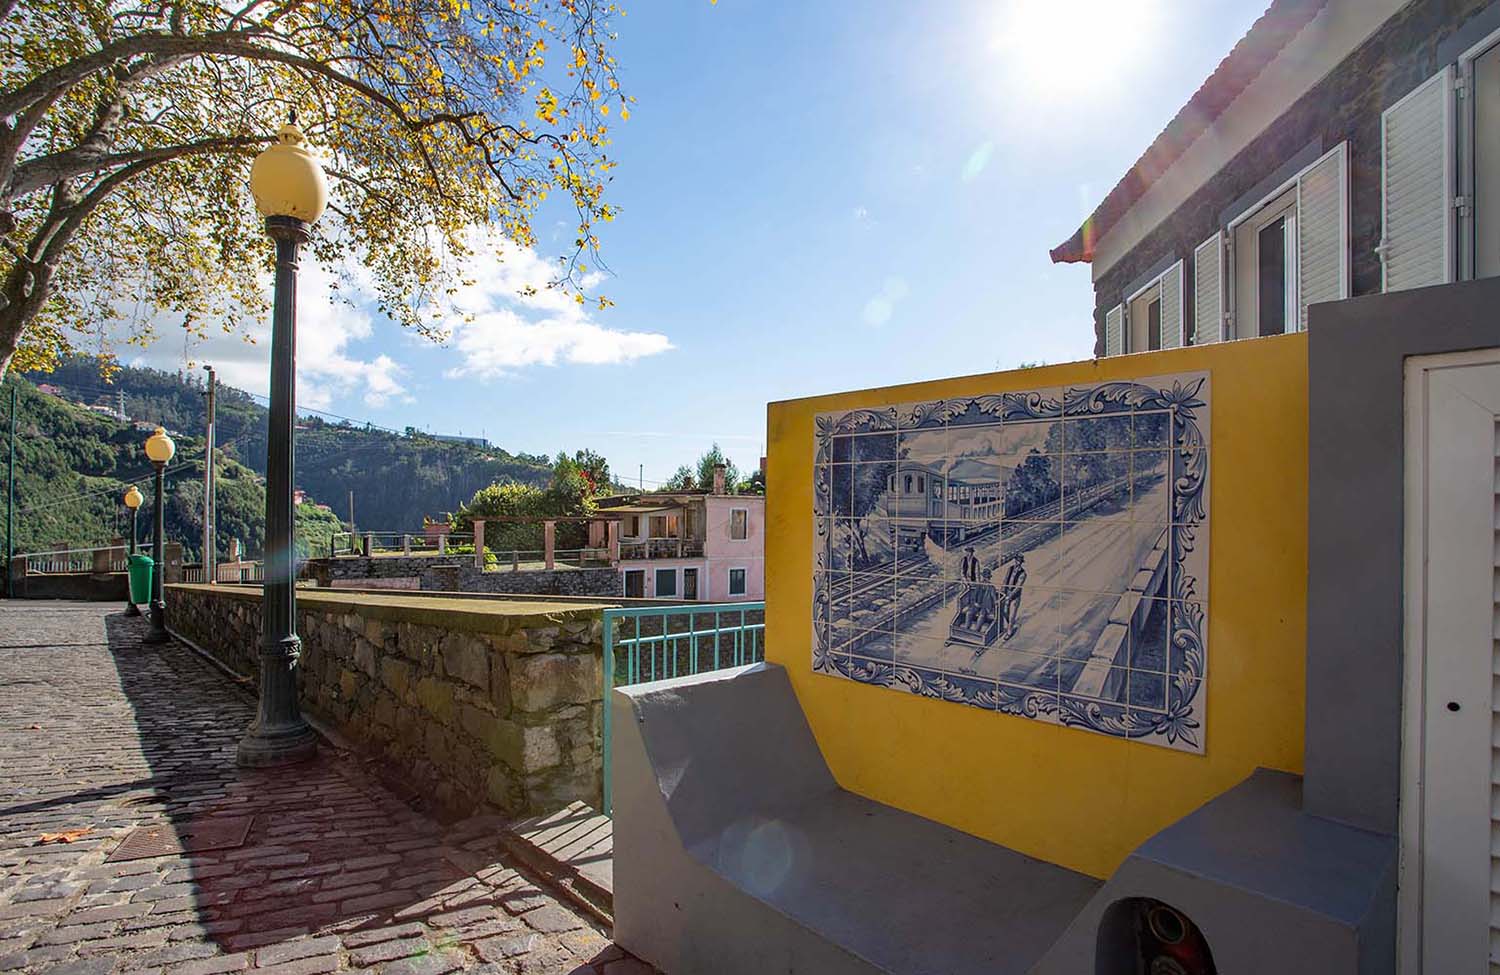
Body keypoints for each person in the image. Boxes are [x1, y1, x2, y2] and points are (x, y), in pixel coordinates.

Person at [999, 554, 1027, 638]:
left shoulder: (1023, 573)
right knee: (1004, 611)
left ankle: (1009, 632)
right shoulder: (1010, 568)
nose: (1016, 562)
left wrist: (1010, 596)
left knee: (1012, 615)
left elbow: (1018, 587)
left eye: (1018, 561)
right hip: (1007, 592)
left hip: (1015, 596)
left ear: (1021, 563)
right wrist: (1002, 591)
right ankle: (1008, 625)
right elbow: (1005, 579)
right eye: (1016, 560)